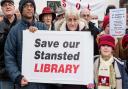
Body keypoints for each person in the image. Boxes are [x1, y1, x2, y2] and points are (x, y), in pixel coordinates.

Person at [4, 0, 53, 89]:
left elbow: (53, 52)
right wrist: (17, 77)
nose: (29, 8)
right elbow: (9, 57)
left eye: (31, 6)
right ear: (21, 9)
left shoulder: (42, 27)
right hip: (25, 83)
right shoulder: (14, 31)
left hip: (43, 83)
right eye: (26, 6)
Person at [0, 0, 19, 89]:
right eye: (5, 5)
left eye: (10, 4)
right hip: (4, 73)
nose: (7, 6)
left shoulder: (22, 24)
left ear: (14, 8)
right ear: (2, 9)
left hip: (21, 73)